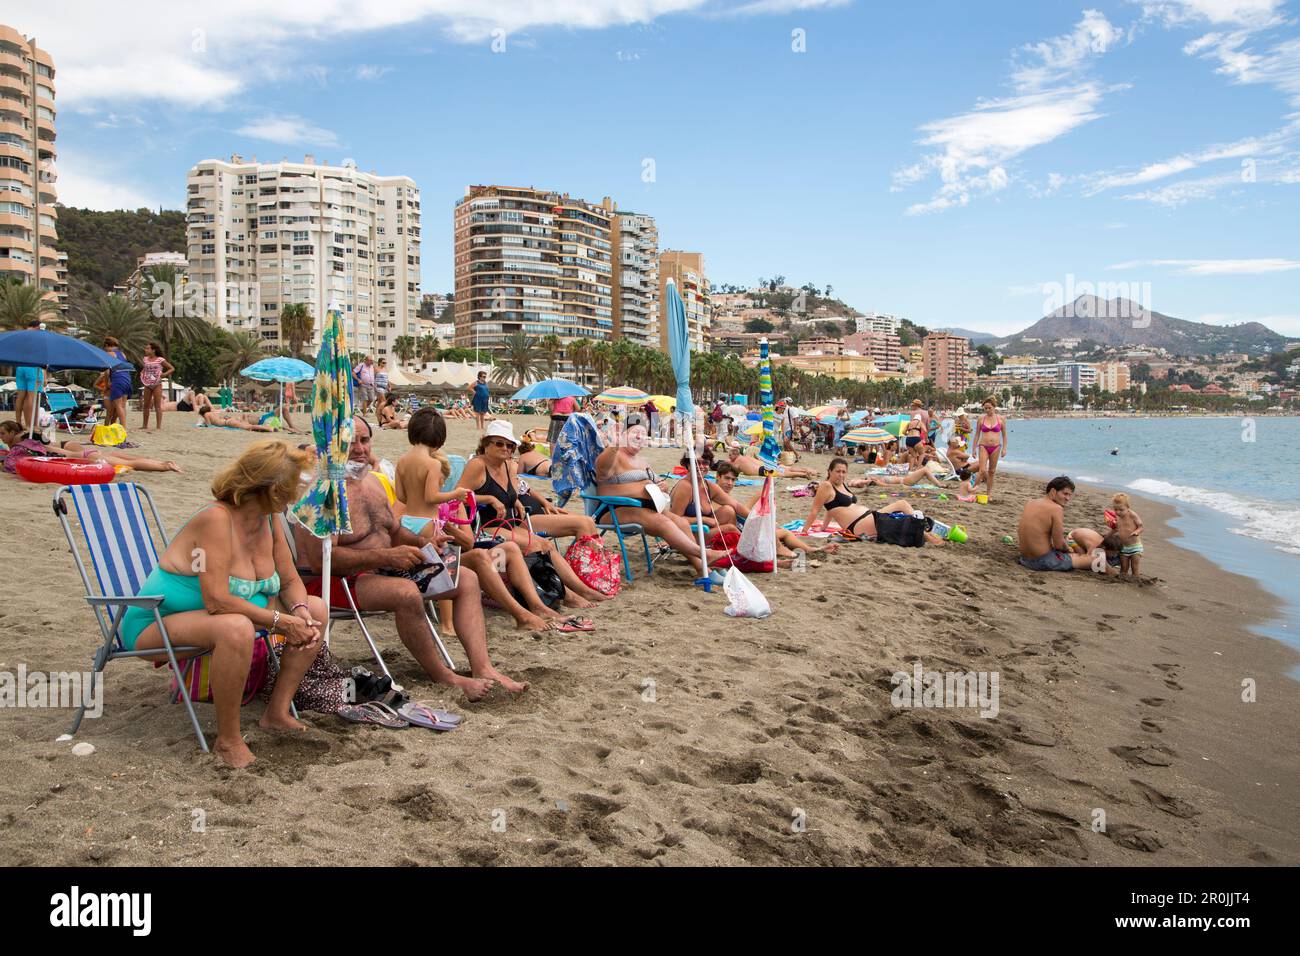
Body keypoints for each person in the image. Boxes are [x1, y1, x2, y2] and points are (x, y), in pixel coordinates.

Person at [115, 441, 327, 768]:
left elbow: (288, 580)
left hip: (225, 618)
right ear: (269, 490)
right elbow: (216, 600)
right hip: (156, 621)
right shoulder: (216, 520)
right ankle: (228, 740)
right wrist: (279, 621)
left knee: (316, 610)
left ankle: (277, 712)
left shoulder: (269, 520)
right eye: (291, 488)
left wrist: (298, 612)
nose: (296, 495)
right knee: (235, 628)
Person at [293, 417, 527, 700]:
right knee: (406, 593)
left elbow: (395, 530)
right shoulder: (323, 494)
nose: (359, 449)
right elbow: (322, 561)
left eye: (365, 440)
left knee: (466, 578)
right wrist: (388, 556)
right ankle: (443, 675)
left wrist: (423, 542)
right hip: (335, 583)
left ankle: (483, 667)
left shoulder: (372, 484)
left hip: (382, 569)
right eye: (349, 442)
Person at [457, 420, 610, 607]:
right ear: (486, 444)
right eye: (499, 443)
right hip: (485, 527)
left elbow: (515, 490)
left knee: (546, 545)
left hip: (508, 523)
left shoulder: (508, 466)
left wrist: (519, 501)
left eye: (509, 445)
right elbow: (458, 496)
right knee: (535, 546)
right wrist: (488, 499)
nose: (505, 448)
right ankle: (566, 595)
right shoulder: (477, 465)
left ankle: (581, 589)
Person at [594, 414, 729, 575]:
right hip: (613, 509)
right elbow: (602, 469)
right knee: (662, 522)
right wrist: (615, 444)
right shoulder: (615, 456)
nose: (640, 436)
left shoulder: (642, 461)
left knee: (681, 523)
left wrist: (660, 485)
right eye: (635, 432)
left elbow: (657, 481)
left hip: (646, 508)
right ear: (623, 434)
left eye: (644, 434)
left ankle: (702, 569)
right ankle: (704, 554)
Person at [712, 462, 838, 558]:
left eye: (733, 480)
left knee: (784, 532)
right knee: (770, 531)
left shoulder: (725, 496)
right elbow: (732, 514)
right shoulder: (713, 496)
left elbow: (740, 510)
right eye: (726, 478)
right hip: (733, 535)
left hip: (740, 528)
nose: (730, 483)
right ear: (717, 477)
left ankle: (810, 550)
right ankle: (785, 551)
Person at [803, 457, 939, 542]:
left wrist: (824, 527)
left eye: (844, 472)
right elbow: (815, 510)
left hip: (868, 517)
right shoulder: (826, 486)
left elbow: (831, 510)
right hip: (858, 525)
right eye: (838, 471)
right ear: (829, 471)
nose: (841, 474)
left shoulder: (841, 484)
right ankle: (927, 533)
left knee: (902, 511)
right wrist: (804, 531)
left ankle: (926, 531)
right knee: (902, 506)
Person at [0, 420, 182, 472]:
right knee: (126, 458)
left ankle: (165, 466)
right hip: (80, 451)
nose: (1, 437)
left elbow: (12, 464)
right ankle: (162, 462)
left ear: (11, 433)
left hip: (84, 457)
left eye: (2, 434)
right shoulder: (29, 438)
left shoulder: (21, 446)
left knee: (130, 463)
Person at [1016, 476, 1113, 573]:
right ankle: (1116, 575)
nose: (1068, 498)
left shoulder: (1031, 502)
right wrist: (1068, 549)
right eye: (1065, 494)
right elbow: (1059, 545)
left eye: (1070, 495)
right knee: (1096, 560)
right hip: (1042, 561)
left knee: (1074, 554)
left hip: (1024, 558)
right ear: (1053, 491)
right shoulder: (1056, 509)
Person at [394, 407, 470, 519]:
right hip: (427, 521)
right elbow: (431, 497)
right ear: (440, 438)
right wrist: (456, 494)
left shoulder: (401, 461)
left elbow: (400, 496)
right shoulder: (433, 464)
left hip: (407, 519)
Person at [669, 450, 737, 531]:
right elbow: (674, 519)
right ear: (688, 465)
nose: (701, 466)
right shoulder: (685, 486)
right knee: (731, 529)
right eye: (696, 462)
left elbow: (736, 505)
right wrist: (703, 519)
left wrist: (752, 517)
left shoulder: (707, 485)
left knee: (728, 510)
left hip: (704, 530)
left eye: (705, 463)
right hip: (688, 533)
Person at [726, 440, 817, 480]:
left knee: (784, 474)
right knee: (787, 469)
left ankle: (803, 475)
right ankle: (806, 470)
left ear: (735, 455)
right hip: (767, 464)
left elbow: (734, 471)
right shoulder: (746, 457)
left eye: (730, 455)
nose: (729, 457)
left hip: (763, 470)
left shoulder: (735, 462)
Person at [13, 319, 45, 434]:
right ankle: (30, 424)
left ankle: (18, 422)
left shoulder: (21, 335)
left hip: (20, 366)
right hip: (33, 367)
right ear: (37, 326)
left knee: (20, 396)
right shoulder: (38, 336)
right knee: (32, 398)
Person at [974, 397, 1007, 502]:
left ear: (994, 407)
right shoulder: (981, 419)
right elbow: (977, 434)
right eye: (985, 408)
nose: (987, 410)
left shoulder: (1001, 419)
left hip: (996, 447)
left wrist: (1004, 449)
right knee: (982, 470)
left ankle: (988, 494)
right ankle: (972, 490)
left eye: (989, 408)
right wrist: (973, 449)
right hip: (983, 445)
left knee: (992, 471)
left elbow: (1005, 435)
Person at [96, 337, 133, 428]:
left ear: (107, 345)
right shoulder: (122, 354)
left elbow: (107, 371)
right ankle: (122, 427)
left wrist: (107, 383)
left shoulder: (109, 354)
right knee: (123, 406)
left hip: (118, 379)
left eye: (105, 347)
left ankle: (123, 428)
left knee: (118, 406)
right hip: (127, 379)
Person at [139, 342, 175, 431]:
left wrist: (164, 374)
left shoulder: (160, 360)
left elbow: (172, 368)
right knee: (146, 405)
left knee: (157, 405)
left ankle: (158, 426)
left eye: (147, 348)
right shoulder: (145, 359)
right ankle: (144, 425)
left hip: (157, 384)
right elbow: (145, 368)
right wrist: (142, 373)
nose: (145, 350)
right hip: (147, 384)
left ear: (153, 350)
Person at [196, 393, 276, 431]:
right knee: (249, 426)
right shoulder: (212, 413)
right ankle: (267, 428)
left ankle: (269, 428)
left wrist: (203, 425)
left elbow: (209, 425)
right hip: (229, 420)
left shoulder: (206, 414)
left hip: (229, 422)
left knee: (249, 427)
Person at [1111, 492, 1145, 576]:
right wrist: (1108, 536)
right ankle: (1123, 582)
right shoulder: (1117, 517)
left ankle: (1136, 581)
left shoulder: (1132, 515)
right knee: (1124, 567)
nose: (1118, 512)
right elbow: (1116, 529)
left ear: (1128, 508)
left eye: (1121, 510)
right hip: (1123, 547)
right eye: (1115, 509)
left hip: (1135, 547)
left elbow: (1141, 526)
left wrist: (1136, 532)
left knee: (1135, 567)